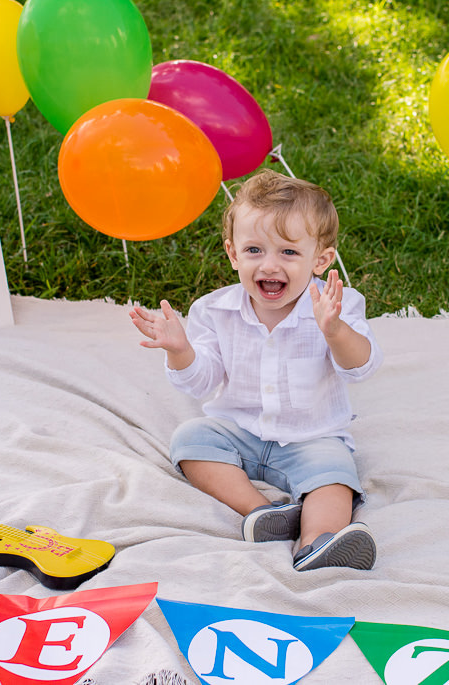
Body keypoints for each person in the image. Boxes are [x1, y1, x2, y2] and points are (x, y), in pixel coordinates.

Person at [129, 169, 382, 571]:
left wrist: (335, 332)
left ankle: (317, 541)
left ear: (321, 260)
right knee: (190, 440)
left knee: (335, 476)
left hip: (311, 436)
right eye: (254, 250)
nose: (270, 265)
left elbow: (360, 367)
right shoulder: (213, 311)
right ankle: (262, 512)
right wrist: (180, 350)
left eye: (288, 252)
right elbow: (202, 381)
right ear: (232, 253)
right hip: (239, 431)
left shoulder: (337, 306)